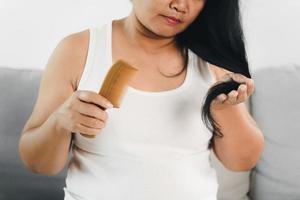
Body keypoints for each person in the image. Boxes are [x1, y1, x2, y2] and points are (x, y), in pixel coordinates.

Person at [19, 0, 265, 199]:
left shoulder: (212, 63)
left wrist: (224, 110)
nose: (181, 5)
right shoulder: (78, 50)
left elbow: (242, 161)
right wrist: (60, 122)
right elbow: (39, 164)